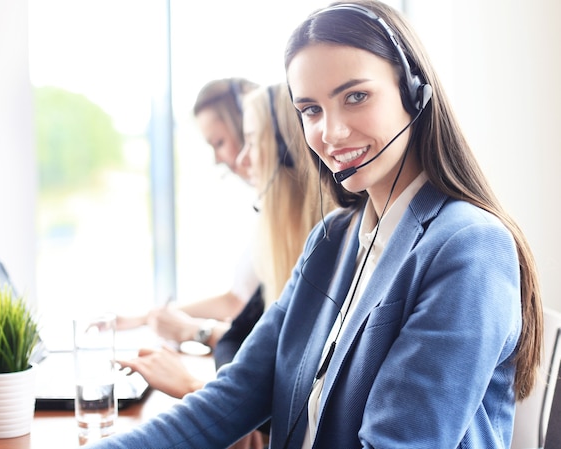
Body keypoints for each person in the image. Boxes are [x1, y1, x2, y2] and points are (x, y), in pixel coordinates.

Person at [85, 2, 543, 448]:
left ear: (413, 93)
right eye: (310, 110)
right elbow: (230, 400)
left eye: (355, 96)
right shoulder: (331, 240)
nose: (331, 132)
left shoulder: (468, 248)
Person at [116, 83, 336, 448]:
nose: (239, 159)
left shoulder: (331, 246)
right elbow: (255, 341)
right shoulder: (308, 241)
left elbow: (310, 409)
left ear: (287, 150)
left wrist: (195, 386)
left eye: (246, 141)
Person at [117, 78, 260, 351]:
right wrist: (147, 318)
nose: (219, 159)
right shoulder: (265, 208)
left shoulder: (297, 216)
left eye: (219, 142)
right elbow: (236, 299)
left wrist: (194, 330)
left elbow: (273, 341)